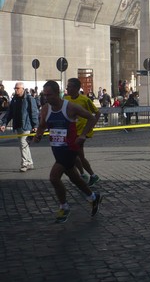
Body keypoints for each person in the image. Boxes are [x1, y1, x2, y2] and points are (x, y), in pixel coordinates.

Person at [32, 80, 102, 223]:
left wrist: (83, 135)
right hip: (56, 148)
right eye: (45, 95)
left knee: (54, 177)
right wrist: (38, 135)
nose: (46, 98)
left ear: (57, 93)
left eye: (49, 95)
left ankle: (64, 207)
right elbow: (42, 125)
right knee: (75, 178)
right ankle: (93, 197)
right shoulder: (45, 108)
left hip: (70, 148)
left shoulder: (70, 107)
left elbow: (91, 117)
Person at [65, 78, 101, 186]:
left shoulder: (85, 100)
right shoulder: (65, 99)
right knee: (75, 154)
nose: (67, 88)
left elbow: (97, 113)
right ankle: (83, 174)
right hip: (70, 131)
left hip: (81, 132)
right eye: (67, 86)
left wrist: (89, 128)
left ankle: (91, 175)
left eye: (70, 86)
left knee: (78, 154)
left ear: (76, 88)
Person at [0, 82, 39, 172]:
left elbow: (34, 112)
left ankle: (24, 164)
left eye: (17, 88)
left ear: (22, 89)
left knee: (23, 143)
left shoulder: (29, 98)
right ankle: (30, 162)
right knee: (24, 145)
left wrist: (35, 125)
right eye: (15, 88)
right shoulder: (14, 99)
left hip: (26, 125)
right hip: (18, 125)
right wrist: (4, 124)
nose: (16, 90)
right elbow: (9, 113)